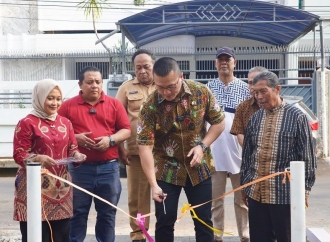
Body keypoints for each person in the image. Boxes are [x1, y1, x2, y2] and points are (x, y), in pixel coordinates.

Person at [137, 57, 225, 242]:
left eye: (171, 86)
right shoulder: (149, 106)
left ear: (181, 77)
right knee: (164, 222)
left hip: (198, 168)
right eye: (160, 87)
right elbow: (145, 147)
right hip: (166, 171)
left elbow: (219, 123)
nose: (166, 92)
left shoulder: (201, 92)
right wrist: (153, 185)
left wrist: (203, 145)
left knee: (203, 221)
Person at [58, 66, 131, 242]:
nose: (95, 86)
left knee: (107, 213)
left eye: (98, 82)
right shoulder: (68, 106)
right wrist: (75, 138)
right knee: (77, 214)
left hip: (109, 169)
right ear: (80, 84)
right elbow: (58, 132)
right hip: (79, 170)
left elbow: (126, 130)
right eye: (89, 82)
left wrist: (110, 140)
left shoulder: (114, 104)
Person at [241, 71, 317, 242]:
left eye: (263, 91)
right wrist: (245, 186)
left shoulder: (297, 117)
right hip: (256, 193)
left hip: (284, 195)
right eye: (255, 92)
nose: (259, 97)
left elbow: (307, 157)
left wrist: (304, 191)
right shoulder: (255, 119)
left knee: (286, 238)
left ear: (277, 89)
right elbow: (247, 156)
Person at [13, 79, 86, 242]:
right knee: (37, 234)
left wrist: (77, 156)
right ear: (39, 97)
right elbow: (19, 154)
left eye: (58, 98)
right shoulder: (26, 123)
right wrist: (38, 158)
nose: (55, 103)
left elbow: (72, 148)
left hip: (62, 189)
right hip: (34, 188)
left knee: (62, 234)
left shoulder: (65, 123)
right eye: (50, 98)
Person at [206, 46, 250, 242]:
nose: (224, 62)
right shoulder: (207, 88)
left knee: (242, 200)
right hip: (214, 152)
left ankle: (245, 235)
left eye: (228, 59)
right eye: (220, 59)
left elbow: (250, 117)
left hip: (239, 151)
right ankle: (217, 235)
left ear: (235, 63)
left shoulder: (244, 88)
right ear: (216, 63)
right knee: (216, 200)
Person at [116, 49, 156, 242]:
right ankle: (140, 234)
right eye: (138, 67)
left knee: (166, 192)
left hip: (164, 152)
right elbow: (116, 119)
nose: (142, 71)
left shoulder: (165, 84)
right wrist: (120, 147)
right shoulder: (126, 88)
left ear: (153, 66)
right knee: (138, 196)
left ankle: (165, 230)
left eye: (146, 66)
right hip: (136, 151)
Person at [230, 66, 268, 146]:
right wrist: (253, 152)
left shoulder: (276, 106)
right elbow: (239, 134)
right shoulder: (242, 107)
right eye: (250, 83)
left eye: (256, 82)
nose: (253, 86)